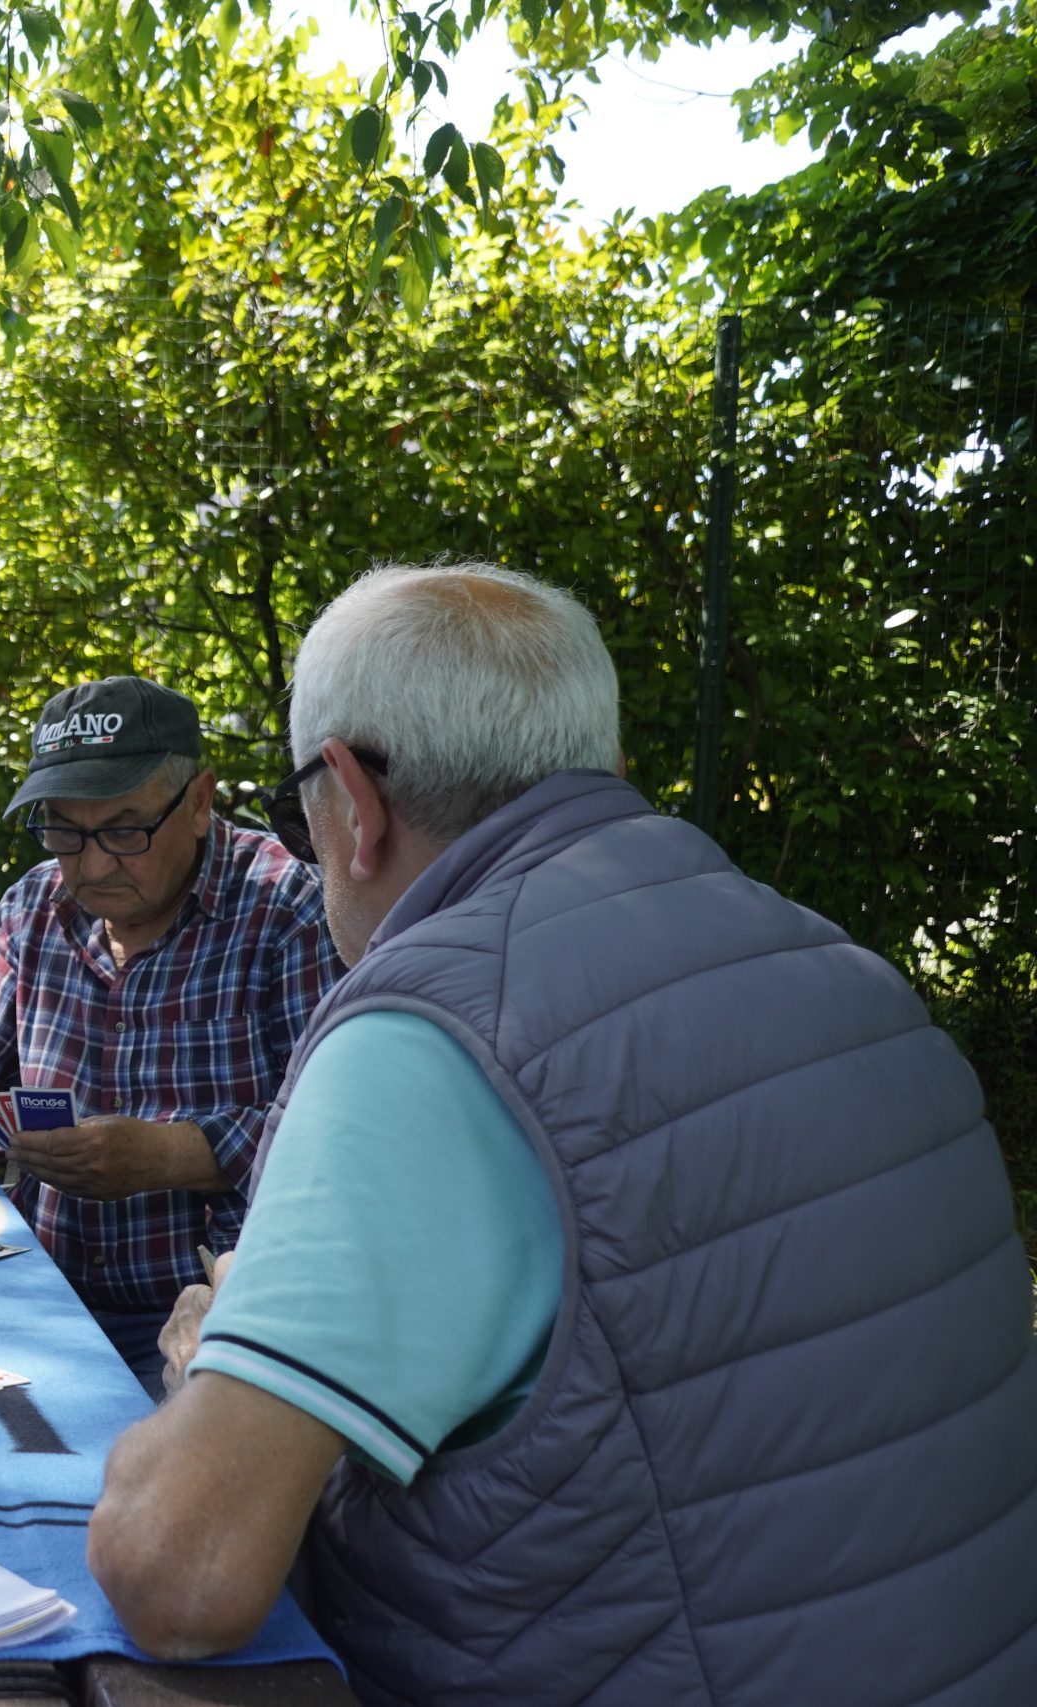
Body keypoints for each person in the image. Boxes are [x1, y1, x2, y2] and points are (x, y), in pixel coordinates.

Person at [88, 565, 1037, 1704]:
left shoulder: (436, 1033)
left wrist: (220, 1352)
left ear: (351, 798)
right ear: (608, 768)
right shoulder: (844, 973)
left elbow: (178, 1574)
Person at [0, 677, 338, 1388]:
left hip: (217, 1316)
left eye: (124, 830)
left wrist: (175, 1154)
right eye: (64, 831)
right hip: (33, 1295)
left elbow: (333, 1136)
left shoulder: (289, 907)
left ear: (200, 801)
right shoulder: (34, 907)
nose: (91, 864)